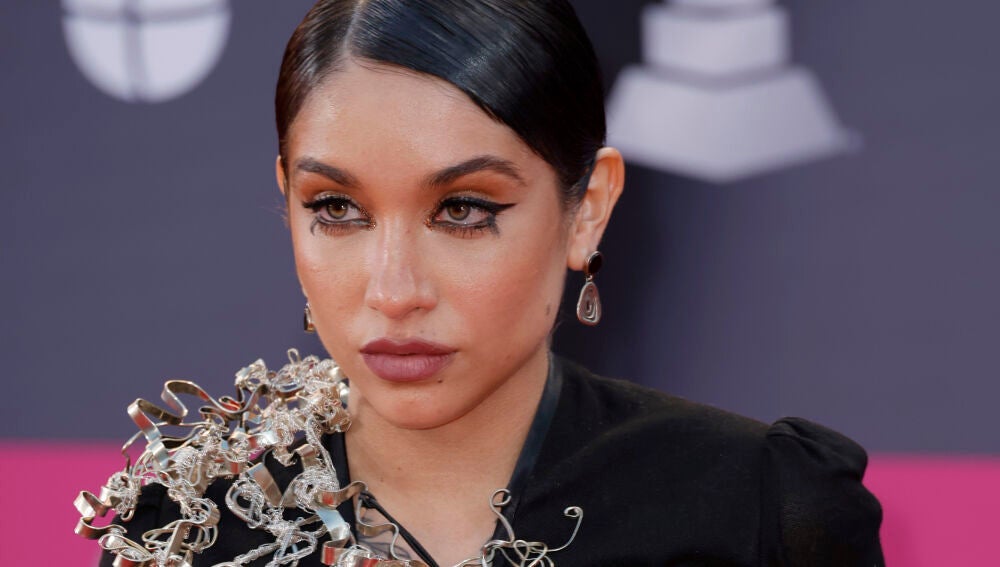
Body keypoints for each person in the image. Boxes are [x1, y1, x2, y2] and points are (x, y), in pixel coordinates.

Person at [96, 1, 884, 565]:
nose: (394, 289)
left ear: (588, 208)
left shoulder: (758, 509)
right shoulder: (187, 527)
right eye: (336, 208)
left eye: (463, 210)